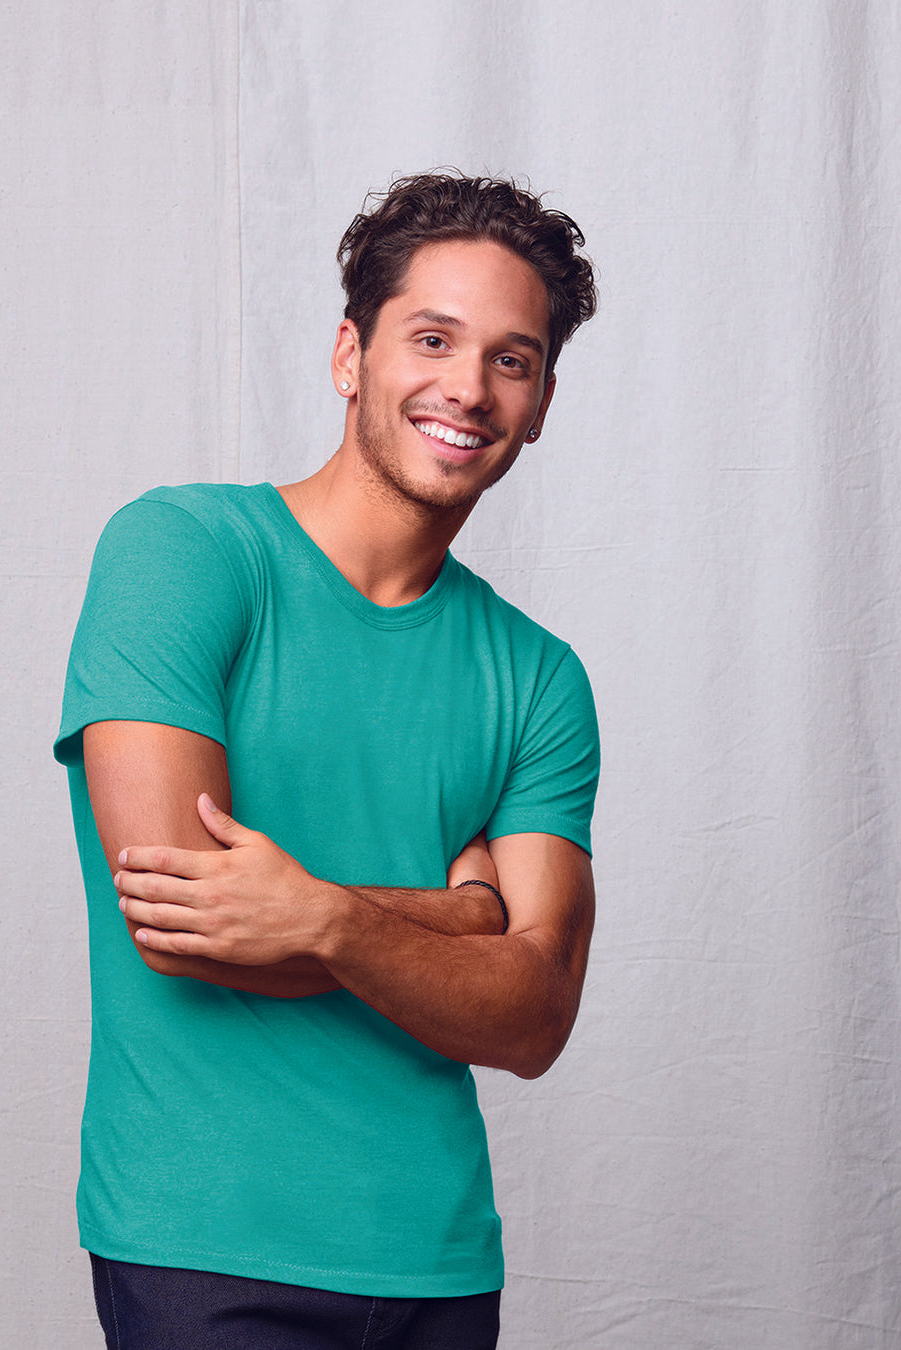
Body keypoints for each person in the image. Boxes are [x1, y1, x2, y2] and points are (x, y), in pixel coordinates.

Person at [55, 171, 599, 1349]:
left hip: (439, 1260)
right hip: (205, 1247)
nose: (468, 386)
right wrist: (467, 917)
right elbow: (185, 917)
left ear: (542, 401)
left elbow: (537, 1014)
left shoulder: (541, 678)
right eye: (433, 339)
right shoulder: (185, 552)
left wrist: (323, 918)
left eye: (510, 359)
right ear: (351, 354)